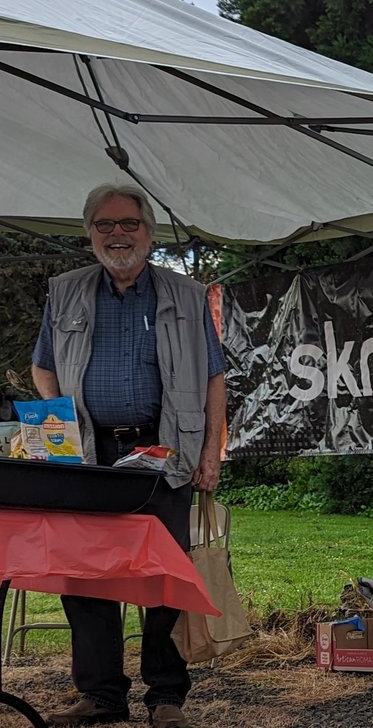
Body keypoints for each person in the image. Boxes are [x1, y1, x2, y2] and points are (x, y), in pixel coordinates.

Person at [30, 184, 227, 728]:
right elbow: (42, 366)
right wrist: (57, 415)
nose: (118, 234)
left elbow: (214, 376)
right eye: (105, 225)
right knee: (87, 577)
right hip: (90, 454)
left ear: (149, 231)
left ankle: (166, 697)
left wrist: (210, 451)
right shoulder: (65, 291)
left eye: (129, 224)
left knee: (165, 576)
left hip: (162, 451)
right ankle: (101, 696)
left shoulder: (186, 294)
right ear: (90, 232)